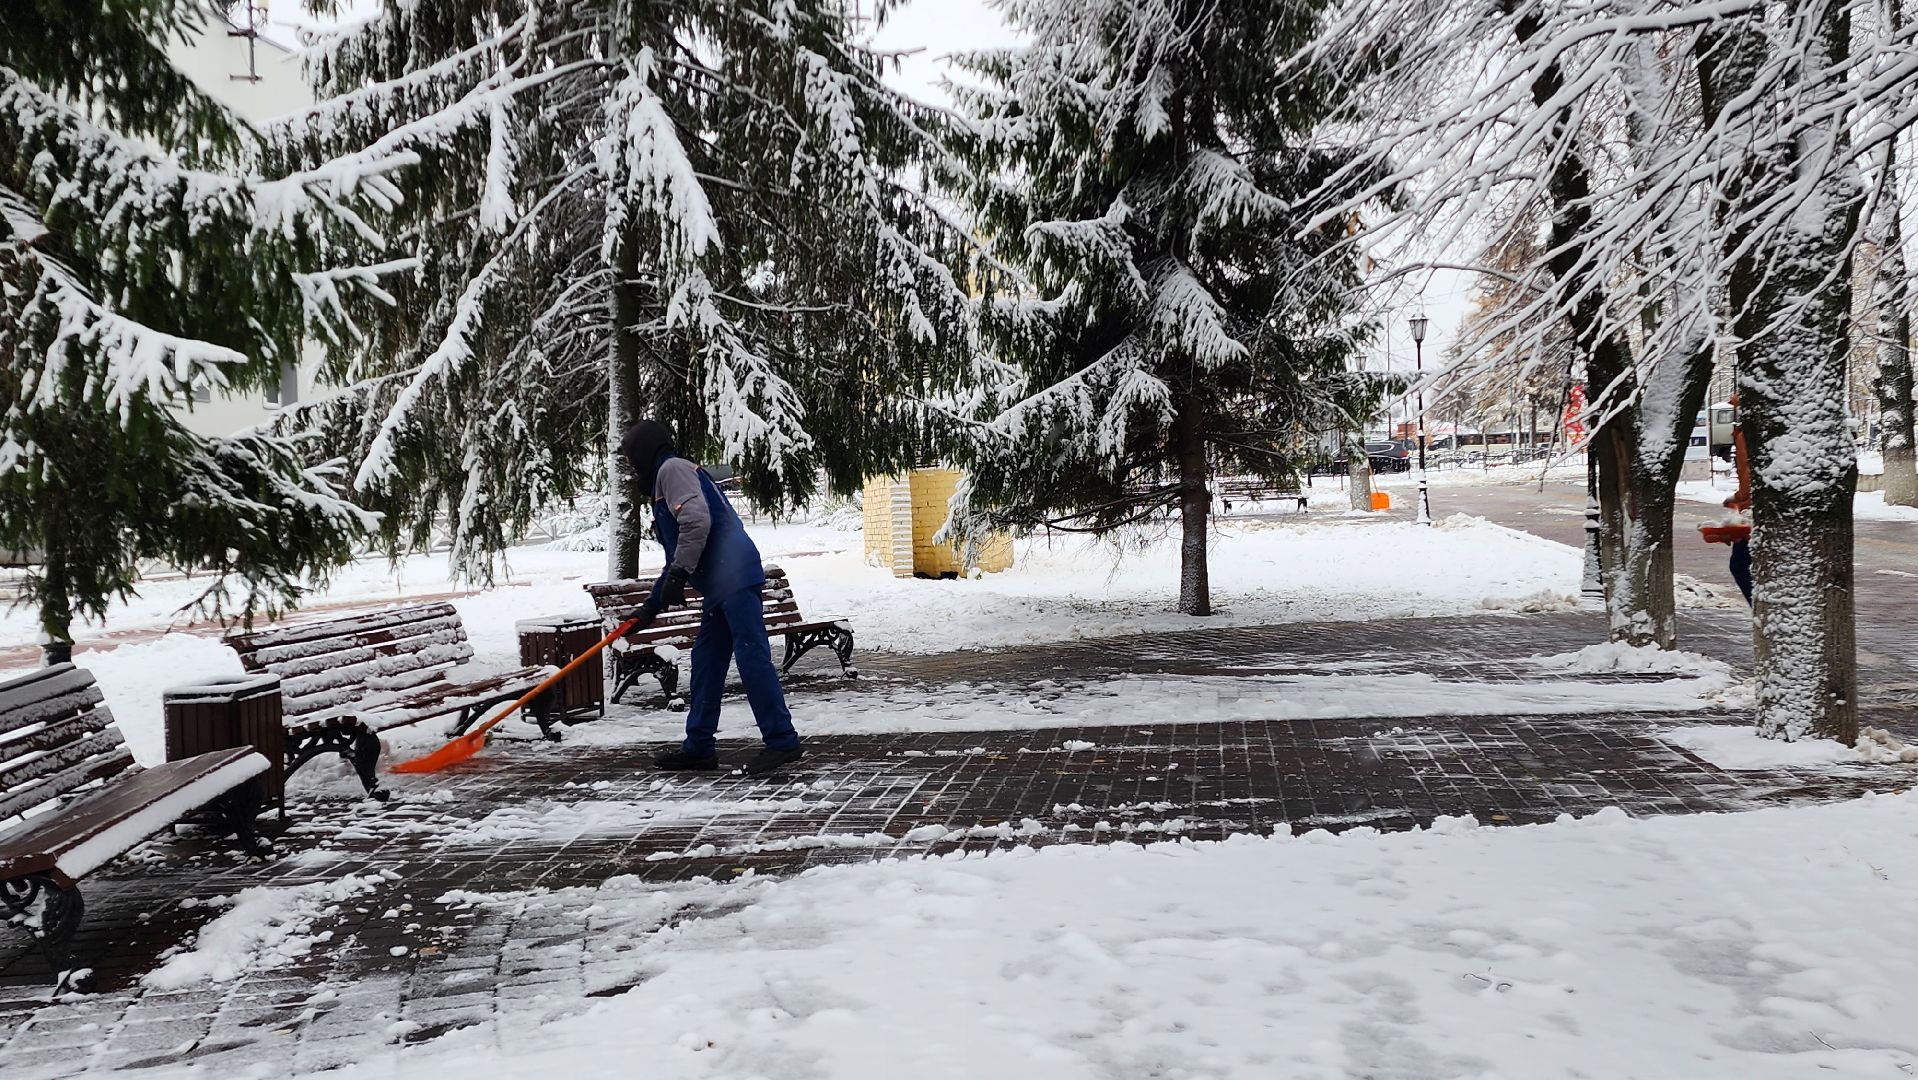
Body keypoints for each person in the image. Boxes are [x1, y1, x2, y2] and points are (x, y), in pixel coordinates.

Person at [618, 420, 805, 775]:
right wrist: (650, 608)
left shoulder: (672, 469)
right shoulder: (665, 479)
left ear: (644, 451)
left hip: (732, 573)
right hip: (722, 582)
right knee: (706, 663)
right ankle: (699, 747)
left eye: (630, 459)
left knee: (752, 657)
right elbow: (679, 551)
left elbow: (696, 522)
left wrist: (678, 575)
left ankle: (782, 739)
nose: (631, 469)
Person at [1723, 400, 1754, 606]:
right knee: (1741, 564)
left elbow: (1749, 476)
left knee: (1740, 565)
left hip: (1754, 511)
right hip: (1750, 507)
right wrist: (1737, 498)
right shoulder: (1743, 436)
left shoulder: (1746, 437)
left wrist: (1741, 499)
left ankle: (1760, 606)